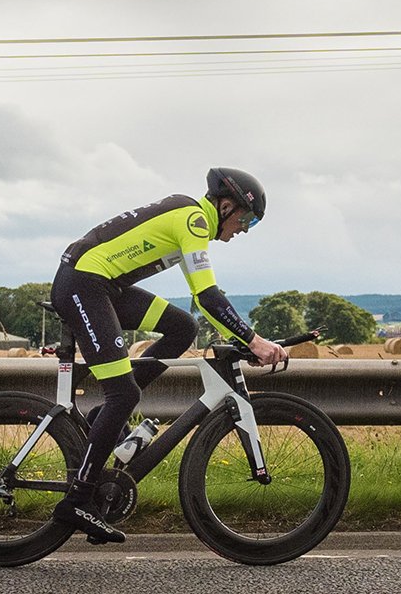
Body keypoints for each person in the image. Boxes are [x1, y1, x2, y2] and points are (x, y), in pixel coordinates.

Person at [49, 167, 287, 543]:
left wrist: (239, 335)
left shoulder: (192, 217)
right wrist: (254, 341)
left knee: (182, 328)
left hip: (104, 285)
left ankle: (104, 417)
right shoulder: (193, 219)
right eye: (246, 218)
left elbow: (201, 306)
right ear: (225, 206)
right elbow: (206, 296)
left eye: (252, 224)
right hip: (85, 284)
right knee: (124, 393)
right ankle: (79, 499)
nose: (244, 229)